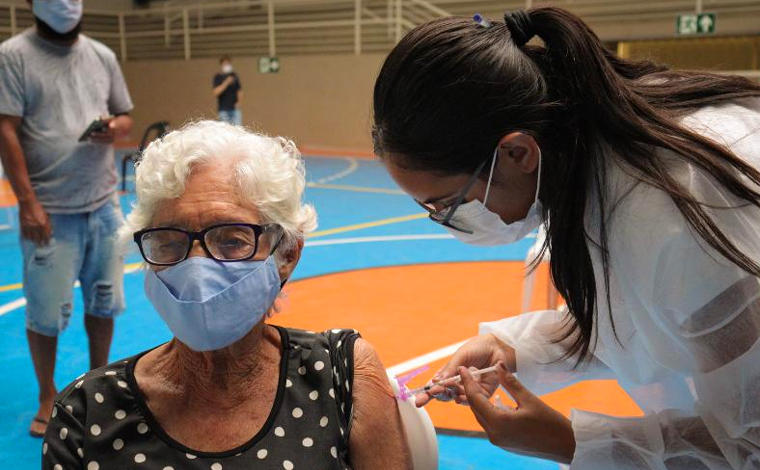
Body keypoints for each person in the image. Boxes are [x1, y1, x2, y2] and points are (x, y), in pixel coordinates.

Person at [372, 7, 760, 469]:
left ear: (517, 153)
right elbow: (648, 317)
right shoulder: (588, 151)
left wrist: (572, 441)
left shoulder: (673, 218)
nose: (445, 221)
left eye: (448, 204)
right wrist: (515, 349)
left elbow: (751, 441)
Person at [41, 121, 412, 470]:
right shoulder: (86, 413)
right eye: (169, 241)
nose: (198, 267)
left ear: (287, 254)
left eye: (232, 240)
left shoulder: (341, 374)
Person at [0, 0, 133, 438]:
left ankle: (100, 384)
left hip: (103, 205)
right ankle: (46, 394)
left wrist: (114, 128)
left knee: (104, 301)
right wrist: (28, 202)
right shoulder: (13, 56)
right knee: (45, 312)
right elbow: (6, 128)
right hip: (50, 211)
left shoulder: (102, 56)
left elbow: (126, 116)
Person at [213, 56, 243, 125]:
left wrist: (239, 102)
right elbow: (215, 92)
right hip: (223, 110)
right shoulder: (217, 77)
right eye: (225, 64)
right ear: (221, 65)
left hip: (235, 109)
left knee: (238, 130)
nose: (227, 66)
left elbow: (239, 91)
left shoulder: (234, 75)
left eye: (228, 64)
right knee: (226, 131)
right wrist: (226, 82)